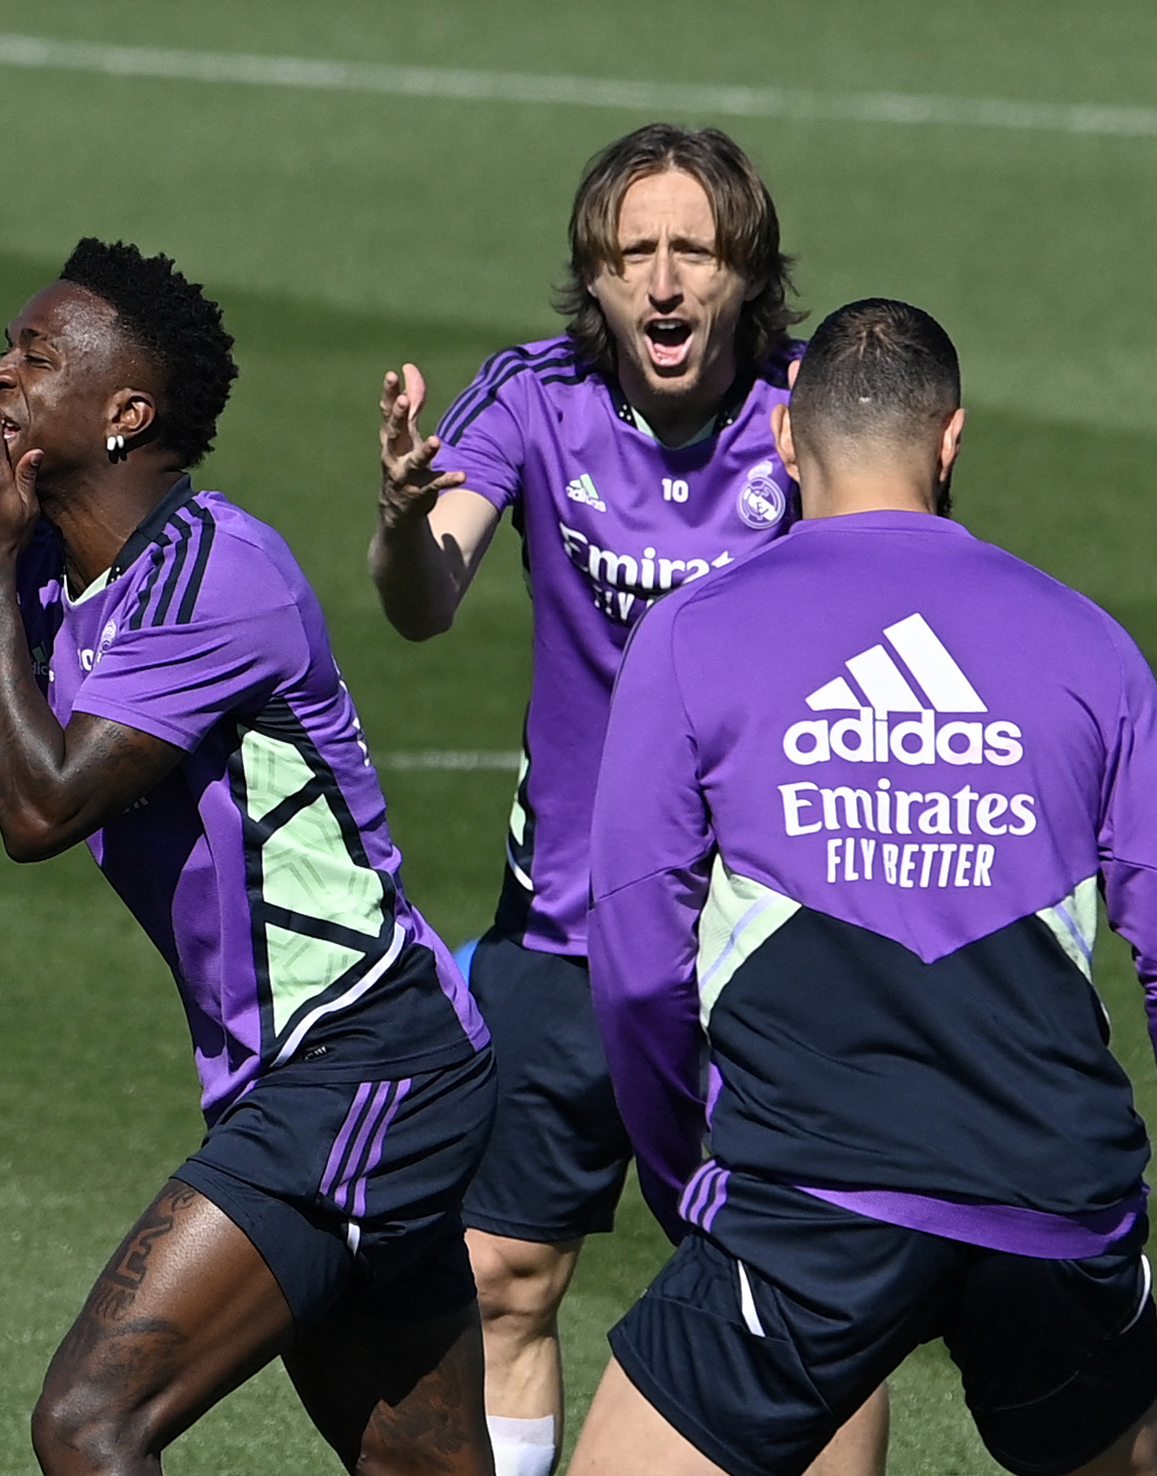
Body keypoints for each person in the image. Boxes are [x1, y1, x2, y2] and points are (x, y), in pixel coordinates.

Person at [573, 299, 1157, 1476]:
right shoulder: (1091, 642)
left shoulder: (693, 637)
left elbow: (639, 960)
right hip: (1058, 1211)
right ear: (952, 443)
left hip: (806, 1206)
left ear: (786, 444)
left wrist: (682, 1177)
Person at [0, 239, 498, 1475]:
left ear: (126, 415)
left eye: (31, 359)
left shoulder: (217, 581)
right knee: (418, 1465)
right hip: (321, 1080)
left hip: (365, 1066)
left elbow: (38, 811)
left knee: (90, 1424)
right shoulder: (56, 577)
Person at [366, 122, 887, 1476]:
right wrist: (397, 522)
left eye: (691, 252)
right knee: (503, 1278)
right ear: (591, 281)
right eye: (629, 253)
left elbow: (897, 605)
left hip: (772, 933)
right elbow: (425, 600)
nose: (660, 282)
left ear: (742, 272)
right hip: (567, 927)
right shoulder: (534, 399)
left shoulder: (806, 412)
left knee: (811, 1297)